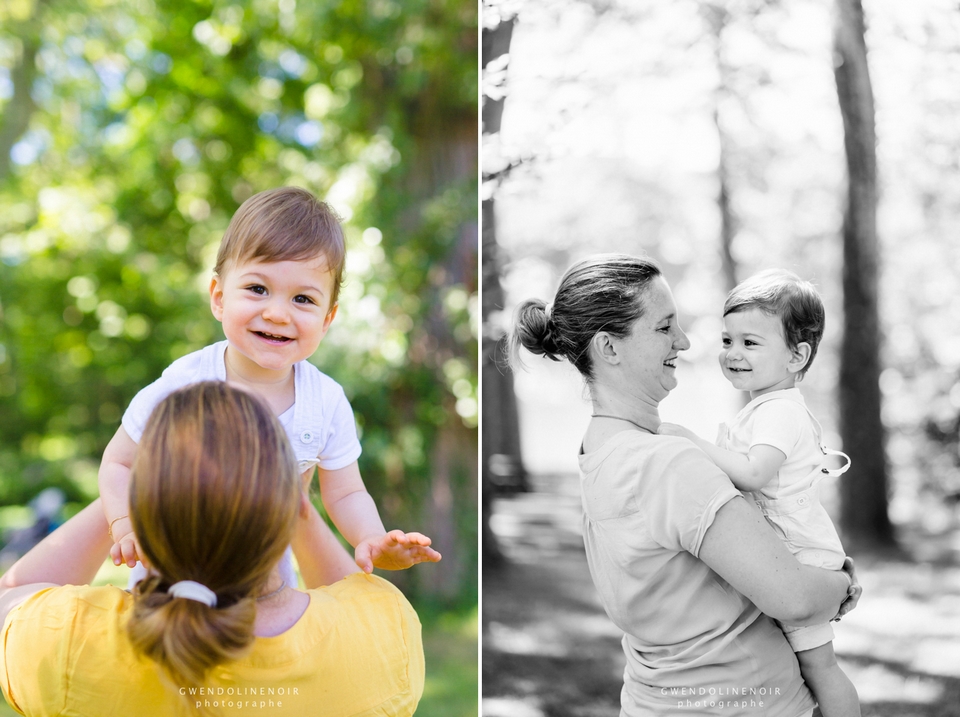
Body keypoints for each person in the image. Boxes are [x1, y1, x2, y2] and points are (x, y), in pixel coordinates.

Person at [510, 254, 861, 717]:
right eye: (664, 328)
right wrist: (842, 585)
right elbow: (793, 597)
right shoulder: (667, 463)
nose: (685, 340)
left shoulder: (598, 451)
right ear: (609, 348)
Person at [0, 381, 426, 716]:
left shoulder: (71, 644)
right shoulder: (386, 636)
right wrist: (294, 502)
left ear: (144, 506)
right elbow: (349, 598)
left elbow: (13, 593)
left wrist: (123, 482)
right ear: (293, 503)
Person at [98, 187, 440, 581]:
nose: (277, 313)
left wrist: (372, 537)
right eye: (258, 289)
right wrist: (125, 523)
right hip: (170, 572)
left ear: (327, 319)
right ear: (219, 297)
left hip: (263, 585)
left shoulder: (324, 401)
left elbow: (346, 493)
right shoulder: (186, 382)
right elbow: (119, 461)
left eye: (303, 299)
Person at [658, 270, 859, 717]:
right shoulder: (764, 409)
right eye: (728, 341)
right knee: (797, 664)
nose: (732, 354)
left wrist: (690, 441)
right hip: (781, 554)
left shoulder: (781, 413)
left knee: (820, 666)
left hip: (801, 558)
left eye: (750, 343)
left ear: (796, 356)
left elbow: (752, 474)